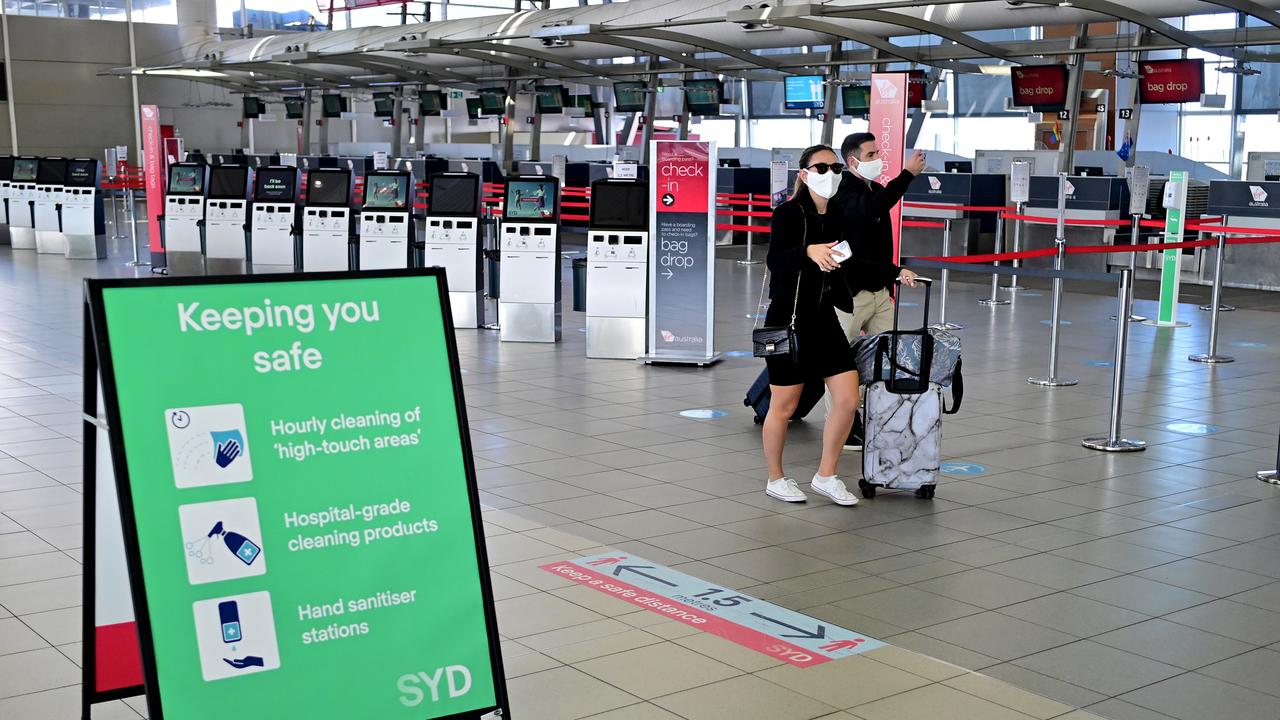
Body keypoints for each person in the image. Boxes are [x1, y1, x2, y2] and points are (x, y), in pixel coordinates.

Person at [760, 144, 861, 507]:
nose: (830, 173)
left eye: (835, 167)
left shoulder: (837, 214)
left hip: (824, 320)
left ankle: (826, 475)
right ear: (803, 174)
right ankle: (775, 477)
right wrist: (808, 252)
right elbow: (775, 260)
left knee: (848, 398)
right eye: (821, 167)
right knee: (784, 405)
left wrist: (895, 272)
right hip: (788, 321)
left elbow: (849, 258)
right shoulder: (788, 213)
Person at [827, 133, 924, 449]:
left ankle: (878, 419)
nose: (877, 159)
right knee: (838, 363)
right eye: (871, 155)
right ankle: (844, 427)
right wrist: (907, 174)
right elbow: (867, 210)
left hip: (880, 292)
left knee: (884, 359)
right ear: (852, 161)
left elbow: (881, 238)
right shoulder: (843, 194)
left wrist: (889, 280)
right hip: (851, 294)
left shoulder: (878, 191)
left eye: (877, 152)